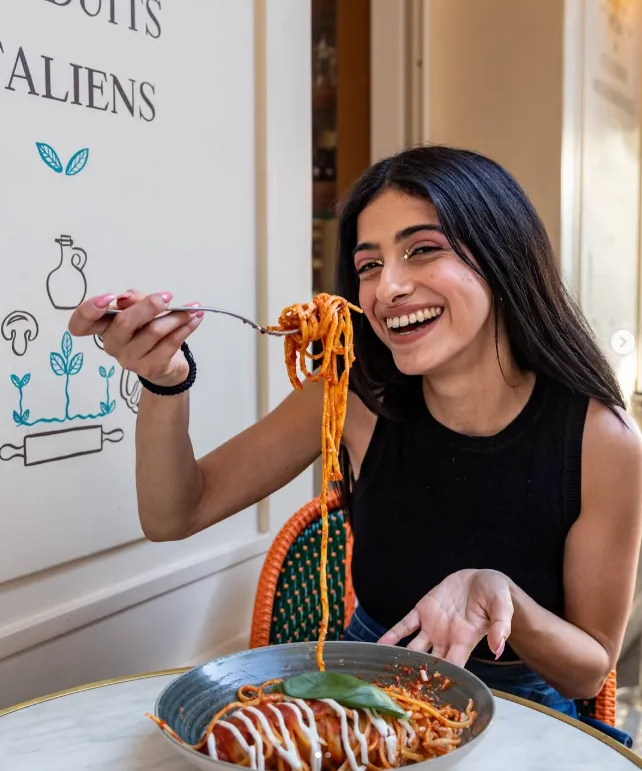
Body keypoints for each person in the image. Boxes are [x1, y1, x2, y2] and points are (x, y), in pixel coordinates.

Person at [69, 145, 641, 744]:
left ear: (504, 257)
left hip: (525, 713)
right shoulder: (349, 397)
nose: (386, 288)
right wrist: (165, 381)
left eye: (423, 250)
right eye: (369, 265)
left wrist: (505, 601)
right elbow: (173, 513)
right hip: (364, 698)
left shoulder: (602, 439)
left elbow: (588, 669)